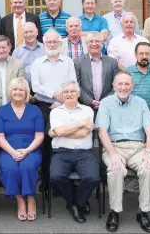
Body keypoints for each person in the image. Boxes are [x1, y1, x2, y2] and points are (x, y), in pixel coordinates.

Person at [95, 71, 150, 233]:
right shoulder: (106, 103)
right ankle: (115, 212)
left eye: (127, 84)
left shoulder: (141, 103)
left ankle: (143, 212)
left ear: (132, 86)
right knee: (115, 170)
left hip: (138, 148)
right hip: (114, 147)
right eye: (120, 84)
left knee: (149, 169)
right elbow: (102, 132)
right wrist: (113, 154)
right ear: (114, 86)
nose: (123, 87)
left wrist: (149, 153)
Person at [30, 29, 77, 191]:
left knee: (64, 140)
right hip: (43, 107)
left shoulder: (68, 62)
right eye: (49, 42)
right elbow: (35, 86)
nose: (52, 44)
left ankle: (63, 180)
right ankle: (47, 180)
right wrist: (54, 94)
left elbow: (72, 83)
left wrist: (58, 102)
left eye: (55, 42)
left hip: (64, 106)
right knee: (45, 143)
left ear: (60, 43)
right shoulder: (37, 63)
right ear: (44, 44)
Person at [49, 81, 99, 224]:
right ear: (61, 95)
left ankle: (75, 203)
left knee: (93, 178)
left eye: (72, 91)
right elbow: (58, 131)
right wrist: (79, 124)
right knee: (56, 177)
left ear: (78, 94)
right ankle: (78, 203)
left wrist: (62, 131)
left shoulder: (87, 111)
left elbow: (83, 133)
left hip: (84, 153)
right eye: (66, 92)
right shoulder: (55, 111)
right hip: (62, 153)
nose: (69, 94)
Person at [0, 77, 44, 221]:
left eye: (21, 89)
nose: (18, 92)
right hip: (8, 150)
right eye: (15, 89)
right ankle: (20, 200)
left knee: (26, 167)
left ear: (26, 92)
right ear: (10, 92)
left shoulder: (35, 110)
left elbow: (40, 136)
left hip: (31, 150)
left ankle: (30, 198)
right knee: (10, 168)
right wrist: (12, 152)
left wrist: (27, 150)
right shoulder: (2, 111)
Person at [74, 32, 118, 113]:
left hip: (108, 107)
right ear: (86, 44)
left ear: (102, 43)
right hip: (85, 107)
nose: (94, 44)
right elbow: (76, 85)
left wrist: (105, 101)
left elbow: (116, 85)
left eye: (97, 41)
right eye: (91, 41)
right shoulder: (78, 62)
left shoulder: (113, 62)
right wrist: (89, 101)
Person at [126, 42, 150, 111]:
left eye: (147, 54)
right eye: (141, 53)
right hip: (132, 115)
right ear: (135, 54)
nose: (144, 56)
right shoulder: (127, 72)